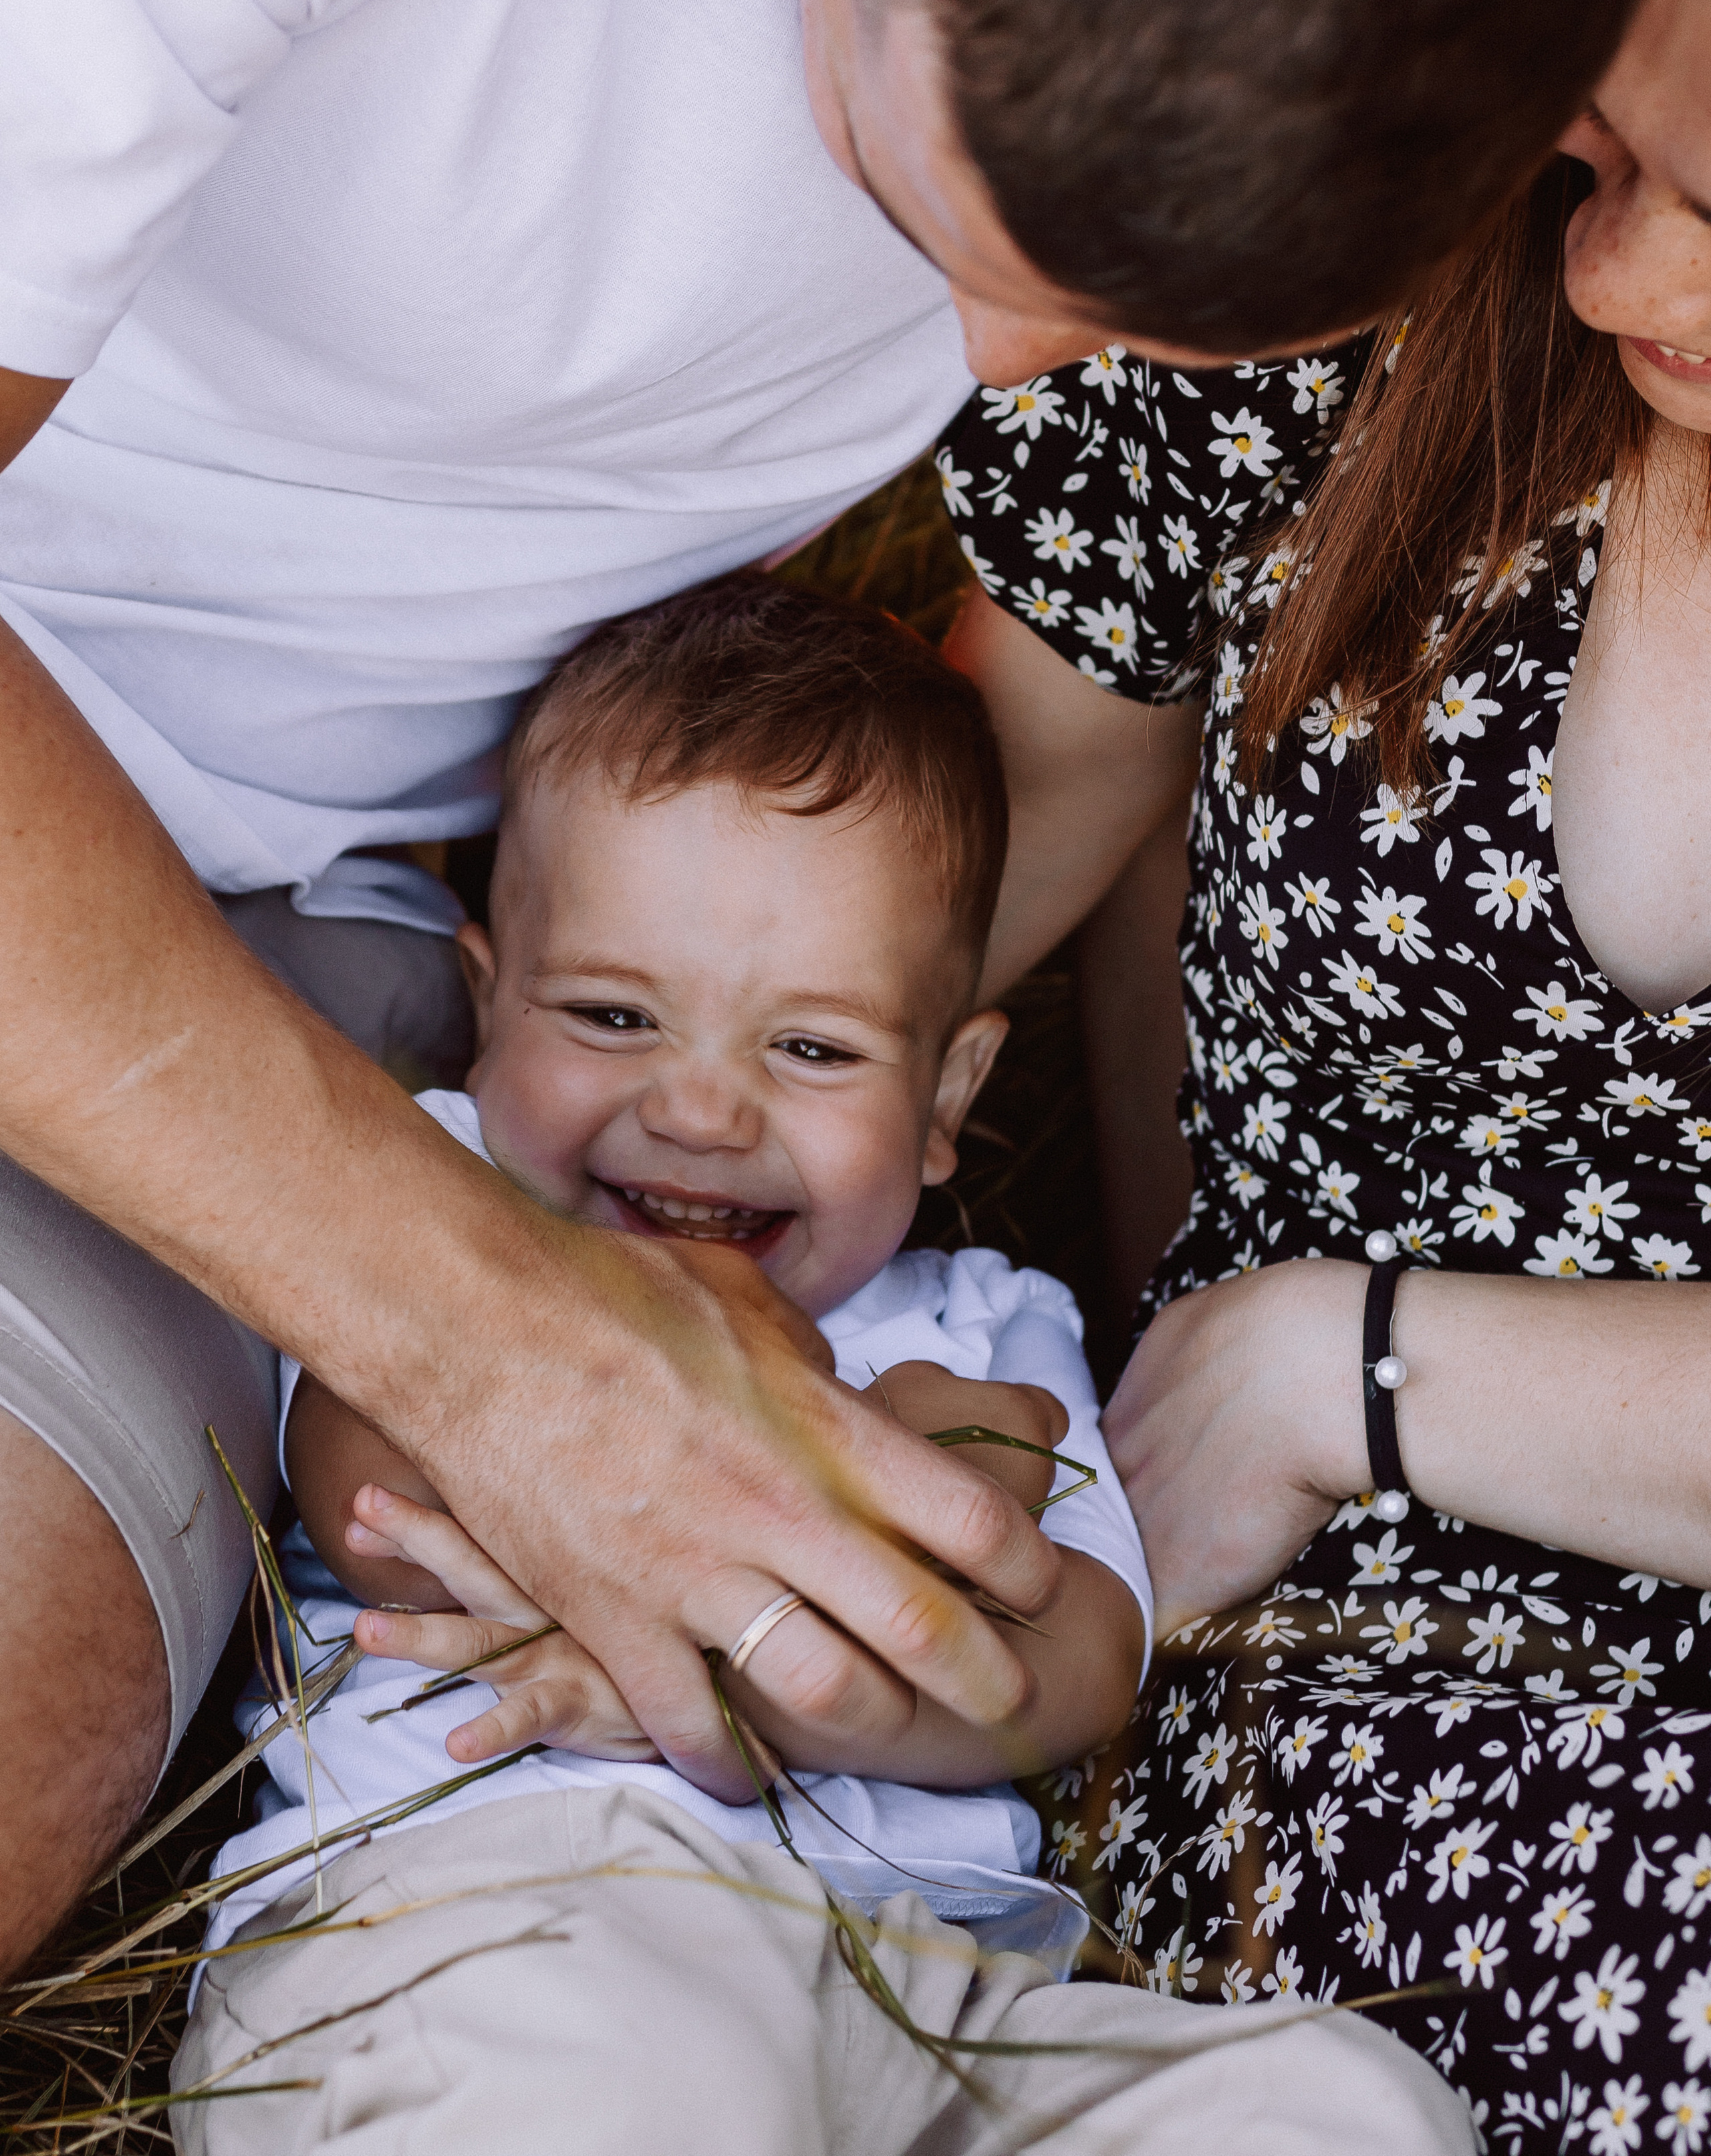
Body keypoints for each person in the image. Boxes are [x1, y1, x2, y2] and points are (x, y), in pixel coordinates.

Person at [0, 0, 1702, 1971]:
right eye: (934, 199)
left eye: (1174, 325)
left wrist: (814, 1147)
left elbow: (1052, 757)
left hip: (342, 931)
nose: (999, 370)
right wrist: (505, 1342)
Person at [168, 573, 1470, 2155]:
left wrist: (775, 1681)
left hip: (922, 1992)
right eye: (612, 1015)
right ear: (487, 1004)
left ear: (947, 1097)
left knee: (1337, 2107)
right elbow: (380, 1493)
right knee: (611, 2104)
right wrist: (874, 1498)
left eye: (811, 1049)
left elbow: (1070, 1669)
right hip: (503, 1908)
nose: (700, 1111)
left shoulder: (989, 1330)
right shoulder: (425, 1208)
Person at [940, 86, 1711, 2137]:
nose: (1616, 268)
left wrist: (1344, 1370)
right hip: (1330, 1653)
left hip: (1324, 1440)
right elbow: (909, 893)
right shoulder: (1337, 279)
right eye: (1615, 151)